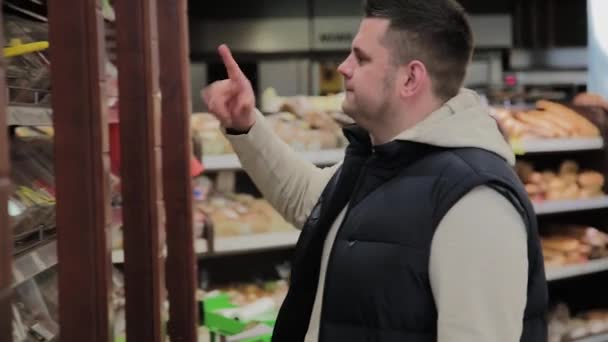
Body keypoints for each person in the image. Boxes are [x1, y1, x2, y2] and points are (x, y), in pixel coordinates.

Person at [202, 0, 548, 341]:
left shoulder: (475, 200)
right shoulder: (382, 162)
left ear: (410, 78)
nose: (342, 67)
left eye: (361, 58)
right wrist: (245, 125)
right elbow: (308, 201)